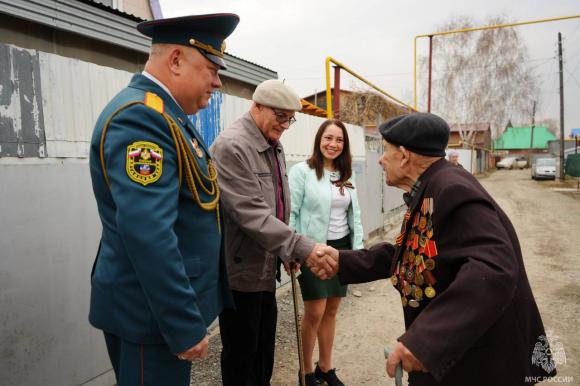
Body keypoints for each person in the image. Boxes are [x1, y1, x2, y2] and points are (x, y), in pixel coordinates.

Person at [315, 113, 556, 386]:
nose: (381, 160)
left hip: (480, 362)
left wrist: (424, 341)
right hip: (460, 353)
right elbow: (413, 251)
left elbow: (495, 268)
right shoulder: (434, 185)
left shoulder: (452, 189)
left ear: (404, 156)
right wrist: (343, 261)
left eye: (384, 151)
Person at [88, 14, 239, 386]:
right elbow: (149, 234)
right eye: (211, 69)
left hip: (155, 310)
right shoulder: (141, 119)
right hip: (150, 316)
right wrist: (183, 324)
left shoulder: (167, 114)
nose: (217, 82)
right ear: (175, 60)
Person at [210, 79, 335, 386]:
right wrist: (301, 248)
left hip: (265, 268)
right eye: (281, 116)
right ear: (257, 106)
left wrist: (286, 251)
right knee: (242, 358)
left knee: (264, 354)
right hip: (241, 273)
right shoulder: (233, 146)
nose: (286, 124)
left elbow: (279, 205)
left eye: (290, 118)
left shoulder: (272, 144)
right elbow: (251, 214)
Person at [288, 119, 363, 386]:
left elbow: (356, 215)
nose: (333, 144)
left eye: (339, 140)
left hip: (342, 249)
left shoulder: (346, 174)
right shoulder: (302, 172)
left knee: (332, 310)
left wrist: (359, 251)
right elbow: (292, 212)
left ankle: (325, 368)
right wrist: (292, 251)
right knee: (315, 311)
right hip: (313, 249)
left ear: (345, 145)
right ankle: (306, 371)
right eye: (328, 138)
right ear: (319, 140)